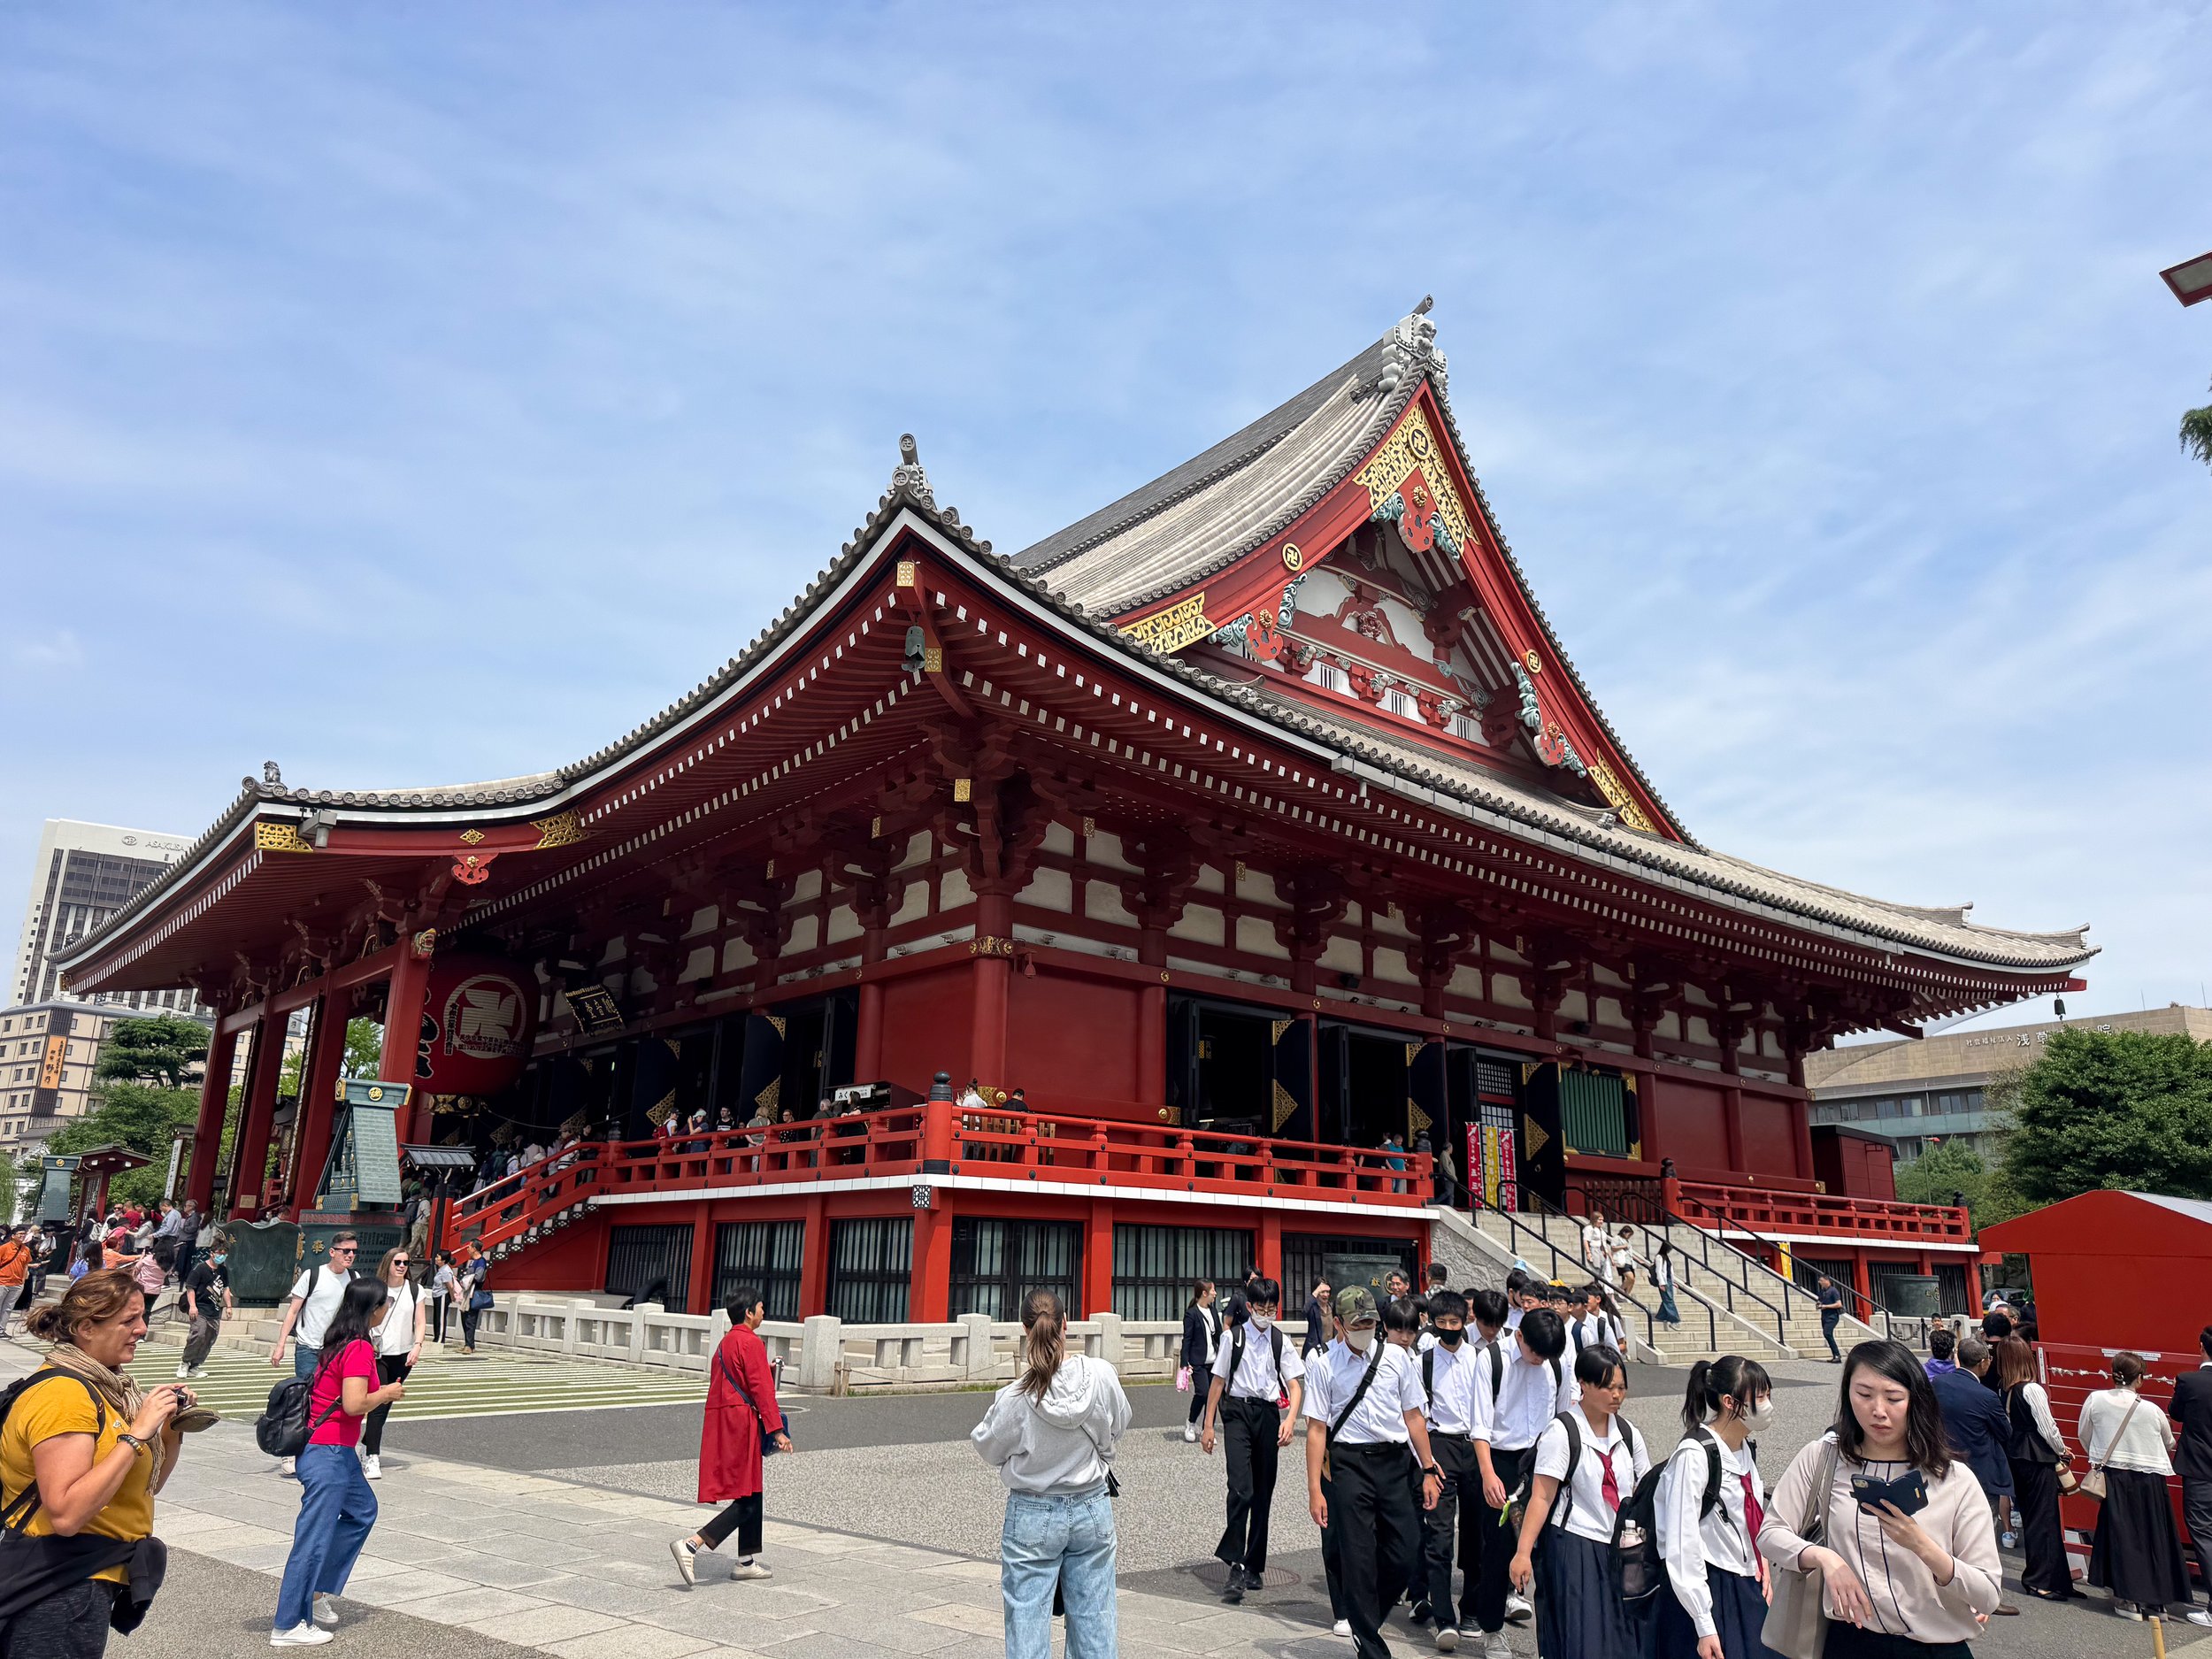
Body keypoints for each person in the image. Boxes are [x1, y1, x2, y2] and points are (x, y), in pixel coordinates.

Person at [1760, 1338, 2004, 1657]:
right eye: (1864, 1395)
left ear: (1916, 1400)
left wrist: (1923, 1546)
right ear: (1847, 1394)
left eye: (1893, 1398)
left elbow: (1988, 1594)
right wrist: (1824, 1558)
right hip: (1850, 1643)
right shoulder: (1823, 1458)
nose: (1878, 1411)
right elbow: (1771, 1533)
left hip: (1935, 1648)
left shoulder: (1954, 1478)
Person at [0, 1270, 191, 1654]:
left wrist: (171, 1429)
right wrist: (137, 1434)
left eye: (142, 1316)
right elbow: (67, 1514)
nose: (142, 1329)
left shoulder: (108, 1389)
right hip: (57, 1585)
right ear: (86, 1328)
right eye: (129, 1320)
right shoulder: (64, 1395)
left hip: (83, 1578)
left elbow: (146, 1487)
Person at [970, 1288, 1127, 1657]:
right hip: (1092, 1505)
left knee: (1027, 1621)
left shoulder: (1014, 1397)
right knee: (1095, 1620)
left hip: (1032, 1509)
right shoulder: (1102, 1376)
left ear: (1026, 1330)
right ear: (1065, 1324)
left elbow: (988, 1446)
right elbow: (1119, 1424)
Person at [1302, 1285, 1444, 1658]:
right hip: (1349, 1464)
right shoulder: (1324, 1365)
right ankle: (1370, 1644)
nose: (1365, 1329)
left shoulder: (1396, 1358)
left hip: (1394, 1462)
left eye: (1369, 1322)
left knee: (1407, 1549)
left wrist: (1429, 1468)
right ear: (1339, 1324)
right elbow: (1316, 1430)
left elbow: (1414, 1417)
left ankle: (1365, 1618)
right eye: (1357, 1324)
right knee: (1358, 1554)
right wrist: (1315, 1489)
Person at [272, 1279, 403, 1646]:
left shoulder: (338, 1340)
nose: (386, 1310)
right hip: (328, 1452)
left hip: (334, 1450)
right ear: (373, 1309)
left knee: (362, 1511)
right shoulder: (358, 1347)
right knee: (313, 1539)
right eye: (385, 1304)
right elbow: (354, 1403)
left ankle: (315, 1593)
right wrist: (387, 1393)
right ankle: (288, 1624)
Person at [1509, 1342, 1649, 1659]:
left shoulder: (1628, 1434)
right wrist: (1523, 1553)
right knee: (1583, 1635)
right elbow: (1542, 1496)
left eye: (1621, 1387)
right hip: (1576, 1545)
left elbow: (1645, 1490)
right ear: (1583, 1384)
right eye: (1608, 1387)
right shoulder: (1563, 1431)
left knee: (1626, 1636)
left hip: (1622, 1548)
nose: (1616, 1395)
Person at [1649, 1355, 1778, 1659]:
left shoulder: (1743, 1447)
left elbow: (1747, 1518)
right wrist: (1704, 1623)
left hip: (1746, 1581)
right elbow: (1682, 1543)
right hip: (1710, 1586)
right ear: (1730, 1402)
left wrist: (1762, 1564)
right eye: (1760, 1397)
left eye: (1768, 1395)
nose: (1768, 1405)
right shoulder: (1694, 1455)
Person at [1468, 1306, 1575, 1657]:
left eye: (1546, 1355)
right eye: (1534, 1352)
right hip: (1501, 1460)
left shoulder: (1556, 1364)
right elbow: (1480, 1424)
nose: (1539, 1360)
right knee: (1498, 1549)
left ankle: (1551, 1638)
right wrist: (1488, 1473)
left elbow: (1563, 1417)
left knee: (1549, 1549)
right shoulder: (1492, 1359)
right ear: (1519, 1336)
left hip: (1544, 1459)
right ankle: (1492, 1630)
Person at [672, 1287, 793, 1587]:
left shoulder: (726, 1342)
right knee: (748, 1499)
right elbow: (762, 1390)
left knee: (752, 1491)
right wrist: (777, 1430)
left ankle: (746, 1561)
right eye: (760, 1307)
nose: (763, 1312)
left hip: (725, 1421)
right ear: (749, 1313)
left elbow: (732, 1382)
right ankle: (692, 1544)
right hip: (742, 1424)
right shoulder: (751, 1342)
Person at [1201, 1275, 1303, 1606]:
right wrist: (1208, 1425)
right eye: (1262, 1308)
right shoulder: (1233, 1338)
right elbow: (1218, 1382)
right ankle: (1235, 1565)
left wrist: (1290, 1420)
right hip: (1237, 1413)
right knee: (1240, 1488)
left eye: (1272, 1308)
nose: (1267, 1313)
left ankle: (1254, 1565)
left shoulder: (1280, 1340)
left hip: (1268, 1414)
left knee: (1262, 1493)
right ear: (1249, 1306)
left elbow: (1295, 1384)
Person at [2081, 1351, 2202, 1624]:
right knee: (2154, 1537)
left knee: (2122, 1536)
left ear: (2113, 1374)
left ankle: (2128, 1599)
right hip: (2151, 1480)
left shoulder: (2095, 1400)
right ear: (2140, 1378)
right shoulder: (2151, 1409)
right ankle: (2156, 1602)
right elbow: (2169, 1441)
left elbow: (2084, 1434)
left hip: (2114, 1476)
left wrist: (2100, 1454)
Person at [1412, 1289, 1486, 1648]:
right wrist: (1425, 1462)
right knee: (1439, 1534)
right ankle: (1444, 1616)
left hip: (1476, 1445)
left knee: (1476, 1533)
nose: (1448, 1328)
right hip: (1440, 1445)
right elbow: (1415, 1415)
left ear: (1465, 1321)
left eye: (1454, 1322)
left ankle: (1471, 1608)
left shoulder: (1481, 1359)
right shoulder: (1422, 1362)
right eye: (1441, 1322)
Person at [1929, 1336, 2018, 1615]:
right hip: (1979, 1469)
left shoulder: (1938, 1384)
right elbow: (2005, 1432)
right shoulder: (1986, 1396)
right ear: (1983, 1363)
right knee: (1981, 1535)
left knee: (1948, 1529)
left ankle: (1948, 1589)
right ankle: (1984, 1596)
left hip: (1943, 1463)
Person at [268, 1234, 362, 1475]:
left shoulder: (354, 1279)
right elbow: (293, 1311)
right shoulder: (313, 1276)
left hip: (338, 1350)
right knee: (304, 1399)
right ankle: (290, 1449)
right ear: (332, 1252)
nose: (350, 1255)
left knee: (334, 1400)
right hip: (309, 1347)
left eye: (353, 1251)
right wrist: (281, 1344)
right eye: (345, 1251)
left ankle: (324, 1450)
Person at [1993, 1333, 2076, 1601]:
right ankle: (2041, 1580)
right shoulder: (2031, 1389)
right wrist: (2062, 1449)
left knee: (2035, 1518)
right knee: (2045, 1519)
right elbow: (2047, 1427)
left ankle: (2057, 1579)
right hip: (2038, 1457)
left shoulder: (2004, 1389)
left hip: (2017, 1456)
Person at [361, 1248, 426, 1480]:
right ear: (388, 1263)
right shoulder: (376, 1288)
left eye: (406, 1263)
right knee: (379, 1403)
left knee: (387, 1402)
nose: (402, 1266)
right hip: (378, 1354)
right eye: (397, 1262)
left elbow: (420, 1322)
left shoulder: (415, 1290)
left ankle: (367, 1442)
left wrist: (417, 1346)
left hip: (403, 1353)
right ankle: (372, 1455)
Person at [2169, 1325, 2212, 1626]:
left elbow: (2176, 1412)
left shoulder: (2189, 1380)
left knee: (2204, 1534)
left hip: (2199, 1468)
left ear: (2201, 1346)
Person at [177, 1237, 232, 1380]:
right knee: (198, 1334)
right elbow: (190, 1288)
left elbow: (226, 1288)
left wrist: (229, 1306)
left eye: (224, 1254)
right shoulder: (200, 1269)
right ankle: (185, 1362)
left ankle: (195, 1365)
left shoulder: (223, 1271)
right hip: (200, 1308)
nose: (222, 1256)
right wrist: (193, 1306)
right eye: (219, 1253)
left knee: (209, 1338)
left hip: (214, 1310)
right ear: (212, 1253)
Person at [1179, 1280, 1222, 1443]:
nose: (1215, 1293)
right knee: (1203, 1392)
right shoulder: (1191, 1314)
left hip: (1214, 1361)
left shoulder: (1213, 1311)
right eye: (1213, 1290)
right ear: (1204, 1293)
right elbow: (1187, 1339)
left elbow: (1219, 1336)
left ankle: (1207, 1428)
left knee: (1213, 1395)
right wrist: (1184, 1362)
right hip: (1198, 1362)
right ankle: (1191, 1423)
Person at [0, 1224, 33, 1336]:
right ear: (13, 1236)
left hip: (17, 1284)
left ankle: (1, 1329)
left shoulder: (26, 1250)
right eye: (20, 1234)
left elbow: (25, 1265)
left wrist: (23, 1280)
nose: (22, 1236)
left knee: (8, 1308)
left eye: (24, 1234)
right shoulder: (4, 1248)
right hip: (3, 1282)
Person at [455, 1249, 488, 1354]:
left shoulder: (481, 1261)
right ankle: (469, 1344)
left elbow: (478, 1277)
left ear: (474, 1249)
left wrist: (466, 1280)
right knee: (464, 1318)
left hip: (474, 1292)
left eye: (470, 1247)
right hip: (467, 1291)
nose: (468, 1249)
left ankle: (469, 1345)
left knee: (471, 1319)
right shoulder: (473, 1261)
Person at [426, 1251, 456, 1346]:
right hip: (437, 1295)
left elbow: (450, 1286)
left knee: (441, 1318)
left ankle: (440, 1338)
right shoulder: (441, 1269)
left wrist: (452, 1297)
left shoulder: (445, 1271)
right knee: (437, 1317)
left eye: (438, 1257)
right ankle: (436, 1337)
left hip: (443, 1295)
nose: (436, 1259)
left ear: (443, 1260)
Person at [1815, 1274, 1845, 1361]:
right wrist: (1819, 1304)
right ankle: (1835, 1355)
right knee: (1827, 1334)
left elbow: (1839, 1304)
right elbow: (1820, 1301)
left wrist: (1826, 1306)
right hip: (1824, 1315)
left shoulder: (1833, 1291)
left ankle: (1837, 1355)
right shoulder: (1822, 1291)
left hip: (1832, 1316)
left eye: (1821, 1280)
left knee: (1827, 1333)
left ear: (1827, 1281)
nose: (1819, 1282)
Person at [1301, 1280, 1333, 1360]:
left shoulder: (1332, 1307)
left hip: (1331, 1349)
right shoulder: (1313, 1308)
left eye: (1327, 1292)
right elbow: (1304, 1311)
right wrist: (1316, 1292)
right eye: (1322, 1292)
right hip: (1316, 1350)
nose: (1325, 1295)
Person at [1652, 1240, 1681, 1325]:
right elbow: (1658, 1271)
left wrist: (1673, 1282)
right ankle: (1675, 1319)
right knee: (1669, 1300)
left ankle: (1661, 1316)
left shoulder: (1667, 1258)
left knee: (1667, 1299)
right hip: (1664, 1281)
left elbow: (1670, 1271)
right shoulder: (1659, 1257)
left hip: (1668, 1281)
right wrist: (1661, 1283)